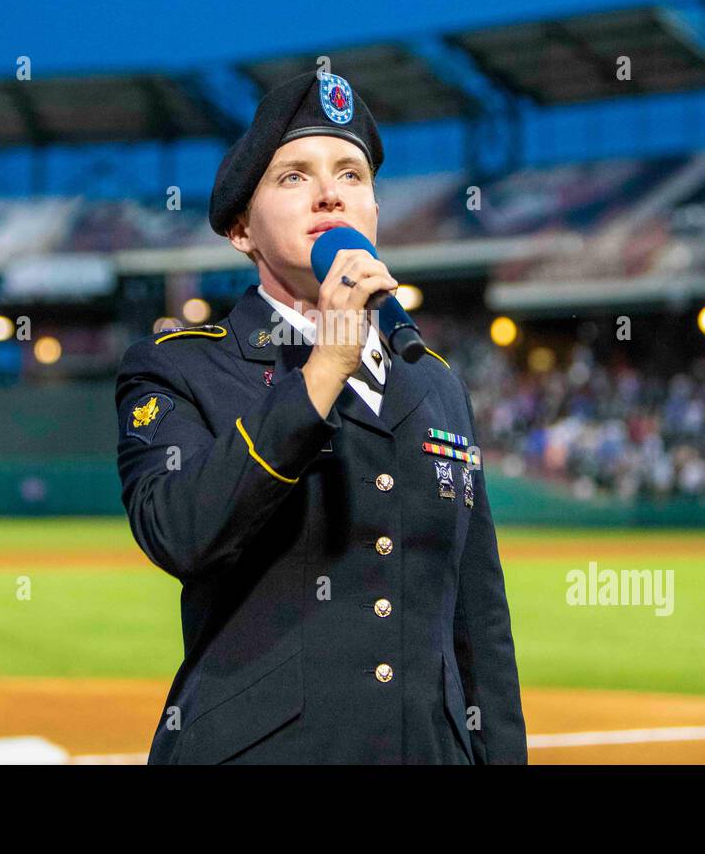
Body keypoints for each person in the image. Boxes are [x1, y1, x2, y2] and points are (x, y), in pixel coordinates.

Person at [115, 70, 526, 764]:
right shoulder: (179, 368)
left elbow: (478, 619)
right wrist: (321, 372)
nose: (330, 191)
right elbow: (178, 532)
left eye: (351, 174)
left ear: (371, 211)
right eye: (294, 177)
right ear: (242, 229)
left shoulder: (436, 383)